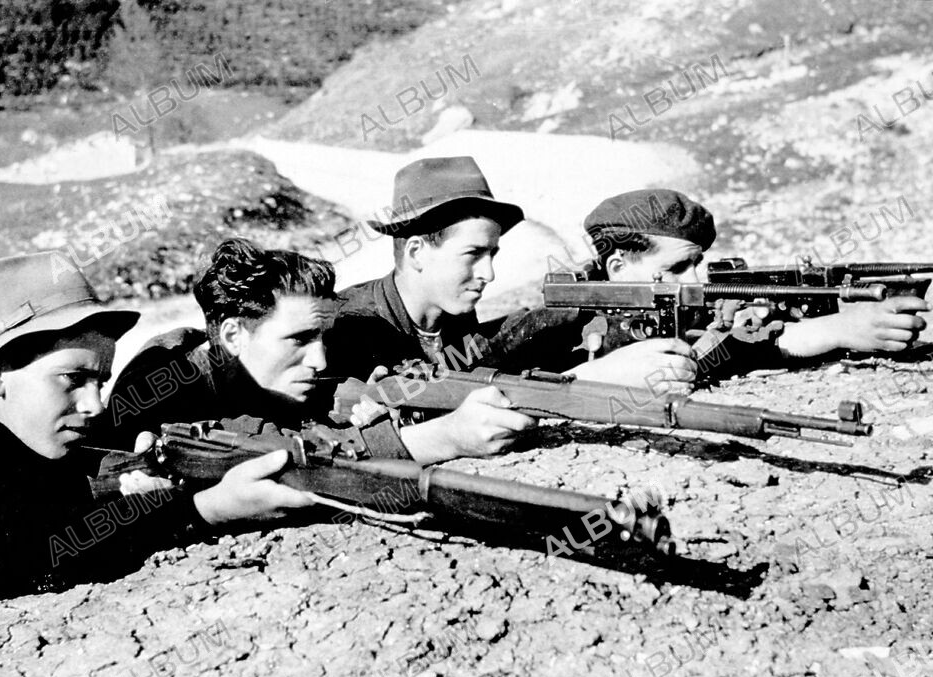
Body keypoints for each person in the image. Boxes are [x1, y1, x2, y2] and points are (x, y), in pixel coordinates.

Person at [0, 253, 314, 630]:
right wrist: (204, 509)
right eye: (72, 379)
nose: (95, 405)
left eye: (100, 381)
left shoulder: (15, 417)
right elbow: (34, 549)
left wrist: (136, 475)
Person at [325, 156, 694, 450]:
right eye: (472, 254)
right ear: (418, 252)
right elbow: (406, 411)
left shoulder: (451, 315)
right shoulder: (352, 325)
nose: (489, 273)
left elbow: (478, 367)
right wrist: (590, 379)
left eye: (492, 254)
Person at [106, 238, 530, 465]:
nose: (320, 360)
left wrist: (379, 402)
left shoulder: (279, 374)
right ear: (234, 335)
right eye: (298, 340)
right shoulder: (159, 386)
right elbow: (278, 452)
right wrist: (443, 437)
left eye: (320, 338)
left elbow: (339, 405)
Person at [575, 189, 929, 388]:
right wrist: (596, 375)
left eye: (696, 264)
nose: (694, 281)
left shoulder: (687, 304)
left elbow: (745, 345)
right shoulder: (564, 319)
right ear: (618, 268)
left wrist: (843, 328)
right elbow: (518, 386)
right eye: (676, 269)